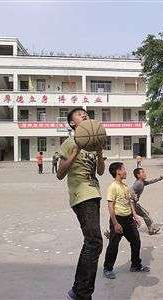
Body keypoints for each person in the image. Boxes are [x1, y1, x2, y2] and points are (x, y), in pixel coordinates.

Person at [57, 107, 105, 300]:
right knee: (94, 242)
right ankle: (80, 293)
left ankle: (78, 290)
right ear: (71, 123)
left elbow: (100, 172)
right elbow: (60, 173)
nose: (84, 115)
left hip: (94, 193)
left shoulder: (92, 144)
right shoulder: (69, 143)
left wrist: (100, 151)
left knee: (92, 243)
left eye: (85, 113)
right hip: (81, 195)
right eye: (78, 114)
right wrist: (75, 151)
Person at [103, 162, 150, 280]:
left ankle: (135, 265)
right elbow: (110, 206)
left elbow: (130, 202)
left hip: (129, 219)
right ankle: (107, 268)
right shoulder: (113, 187)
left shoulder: (124, 186)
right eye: (124, 169)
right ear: (118, 171)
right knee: (113, 245)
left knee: (136, 241)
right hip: (118, 219)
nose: (126, 171)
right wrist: (115, 223)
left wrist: (134, 215)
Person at [131, 168, 163, 235]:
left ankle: (151, 229)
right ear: (138, 175)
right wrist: (134, 196)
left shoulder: (142, 182)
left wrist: (159, 178)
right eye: (143, 172)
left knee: (145, 214)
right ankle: (151, 229)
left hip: (133, 203)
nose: (145, 174)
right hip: (131, 204)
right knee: (145, 214)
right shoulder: (138, 183)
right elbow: (131, 190)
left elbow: (150, 182)